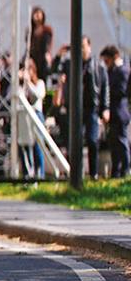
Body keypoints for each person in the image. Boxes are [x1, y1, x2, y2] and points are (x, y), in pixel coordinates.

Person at [60, 37, 110, 178]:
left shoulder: (98, 65)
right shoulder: (70, 64)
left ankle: (93, 173)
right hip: (75, 109)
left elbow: (104, 87)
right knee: (74, 142)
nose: (81, 50)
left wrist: (105, 108)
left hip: (92, 108)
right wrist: (59, 55)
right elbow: (54, 70)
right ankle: (75, 173)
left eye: (83, 46)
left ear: (89, 47)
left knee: (92, 140)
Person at [101, 46, 130, 178]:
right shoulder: (113, 71)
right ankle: (116, 171)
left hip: (119, 112)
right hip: (114, 112)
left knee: (121, 142)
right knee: (114, 143)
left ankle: (126, 169)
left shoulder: (122, 71)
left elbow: (121, 91)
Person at [17, 60, 47, 179]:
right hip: (24, 117)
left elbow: (37, 96)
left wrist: (28, 82)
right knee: (25, 146)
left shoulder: (40, 83)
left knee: (37, 146)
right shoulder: (21, 87)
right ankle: (27, 174)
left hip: (36, 115)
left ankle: (40, 175)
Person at [28, 6, 55, 87]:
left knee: (43, 79)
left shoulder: (46, 30)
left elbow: (47, 43)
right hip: (34, 58)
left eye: (39, 13)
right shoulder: (30, 31)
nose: (37, 16)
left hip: (43, 58)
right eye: (35, 14)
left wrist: (47, 54)